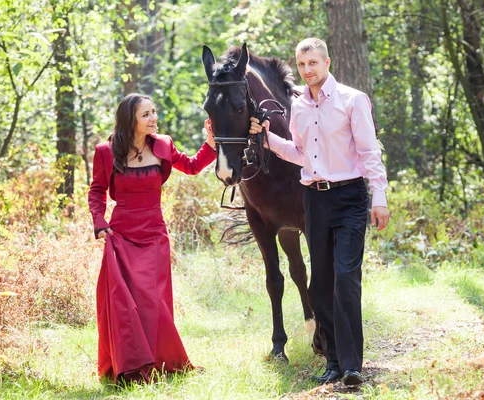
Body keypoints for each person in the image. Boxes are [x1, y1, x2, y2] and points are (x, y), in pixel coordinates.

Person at [249, 38, 390, 386]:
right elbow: (299, 152)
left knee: (345, 278)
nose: (308, 70)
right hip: (314, 198)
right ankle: (333, 361)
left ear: (327, 62)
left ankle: (353, 364)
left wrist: (380, 196)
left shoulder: (353, 100)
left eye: (313, 62)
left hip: (350, 198)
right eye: (302, 65)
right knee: (321, 283)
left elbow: (369, 152)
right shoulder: (298, 106)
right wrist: (267, 138)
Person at [88, 93, 216, 384]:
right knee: (125, 303)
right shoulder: (106, 152)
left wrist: (210, 143)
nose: (153, 118)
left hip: (154, 233)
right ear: (130, 119)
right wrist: (100, 222)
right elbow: (96, 191)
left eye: (153, 112)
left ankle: (163, 362)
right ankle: (130, 366)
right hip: (121, 235)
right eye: (146, 114)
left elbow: (193, 166)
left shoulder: (163, 145)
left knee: (154, 301)